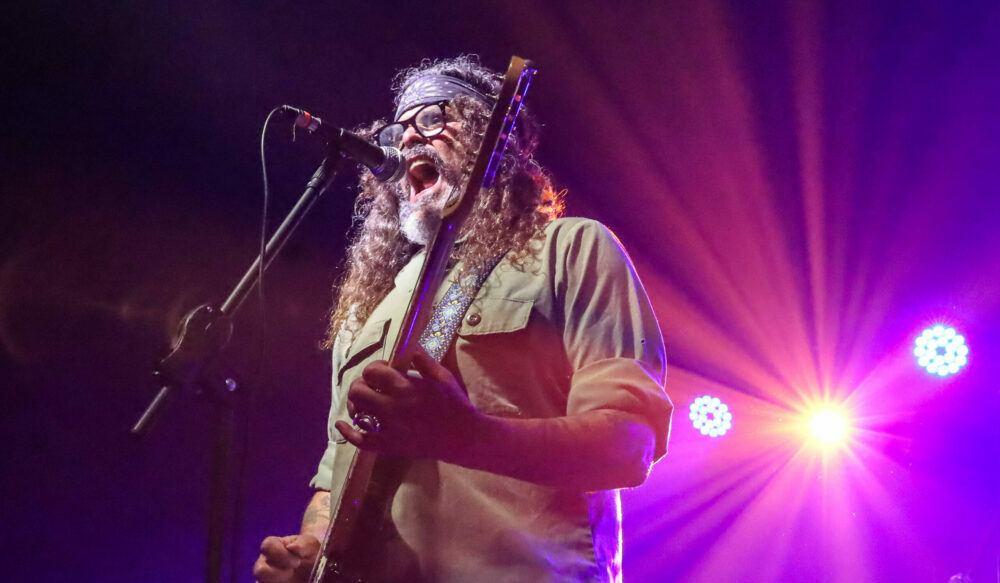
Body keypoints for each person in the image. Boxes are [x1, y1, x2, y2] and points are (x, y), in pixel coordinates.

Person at [253, 55, 672, 583]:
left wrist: (467, 436)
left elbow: (627, 447)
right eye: (397, 128)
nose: (406, 139)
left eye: (432, 119)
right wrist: (310, 546)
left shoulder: (570, 249)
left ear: (487, 139)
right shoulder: (371, 308)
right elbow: (336, 473)